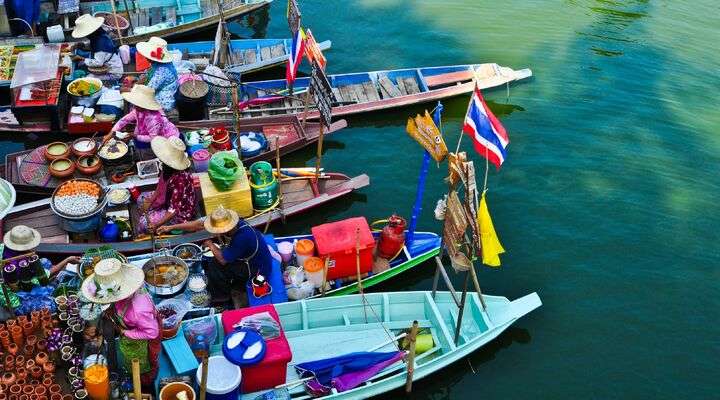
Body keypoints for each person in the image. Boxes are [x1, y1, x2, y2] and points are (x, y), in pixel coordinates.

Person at [157, 207, 273, 303]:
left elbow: (223, 260)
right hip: (247, 256)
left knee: (215, 265)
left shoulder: (242, 237)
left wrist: (210, 245)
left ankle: (221, 297)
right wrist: (170, 227)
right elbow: (198, 225)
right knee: (213, 259)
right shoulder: (235, 222)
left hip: (256, 268)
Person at [80, 259, 160, 387]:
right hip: (131, 328)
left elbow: (152, 332)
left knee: (142, 367)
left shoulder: (138, 312)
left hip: (142, 340)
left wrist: (126, 332)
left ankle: (144, 382)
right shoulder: (125, 294)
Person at [135, 136, 195, 234]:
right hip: (168, 199)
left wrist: (156, 224)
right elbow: (160, 187)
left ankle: (155, 224)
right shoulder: (167, 167)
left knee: (144, 223)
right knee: (141, 199)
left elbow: (173, 210)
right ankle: (153, 212)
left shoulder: (180, 180)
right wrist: (150, 201)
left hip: (180, 212)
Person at [104, 84, 179, 146]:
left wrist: (134, 136)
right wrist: (112, 132)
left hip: (164, 138)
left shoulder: (154, 119)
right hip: (146, 131)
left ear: (144, 105)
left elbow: (153, 138)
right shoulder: (138, 110)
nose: (134, 105)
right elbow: (125, 120)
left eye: (137, 104)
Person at [2, 225, 79, 277]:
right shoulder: (22, 264)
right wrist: (67, 260)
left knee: (44, 261)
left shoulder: (3, 246)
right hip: (20, 283)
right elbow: (45, 276)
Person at [71, 14, 124, 80]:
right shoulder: (99, 35)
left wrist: (82, 59)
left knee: (88, 79)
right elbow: (93, 46)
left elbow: (98, 63)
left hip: (113, 72)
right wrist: (81, 45)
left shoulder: (101, 43)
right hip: (108, 62)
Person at [136, 37, 178, 112]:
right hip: (159, 93)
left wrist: (135, 86)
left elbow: (149, 89)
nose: (145, 57)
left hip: (162, 102)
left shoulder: (162, 70)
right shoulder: (158, 64)